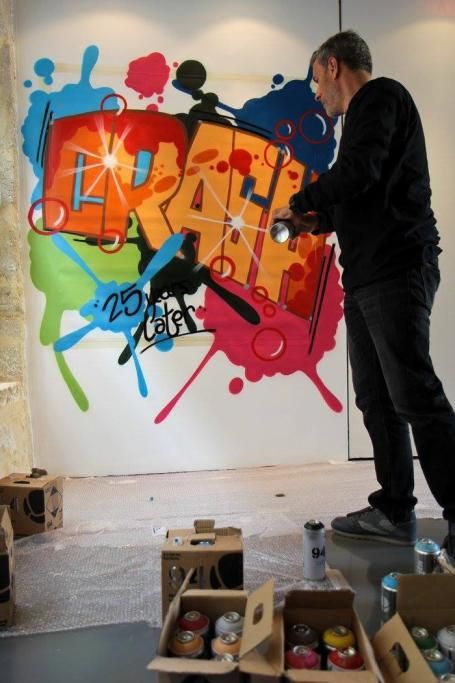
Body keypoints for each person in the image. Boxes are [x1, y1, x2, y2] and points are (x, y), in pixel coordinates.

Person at [272, 30, 455, 571]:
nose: (316, 94)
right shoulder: (361, 122)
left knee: (415, 395)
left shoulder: (380, 97)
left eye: (316, 81)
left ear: (333, 66)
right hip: (368, 277)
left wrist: (299, 200)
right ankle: (395, 509)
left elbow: (359, 173)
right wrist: (314, 221)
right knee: (376, 397)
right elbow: (360, 192)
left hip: (398, 269)